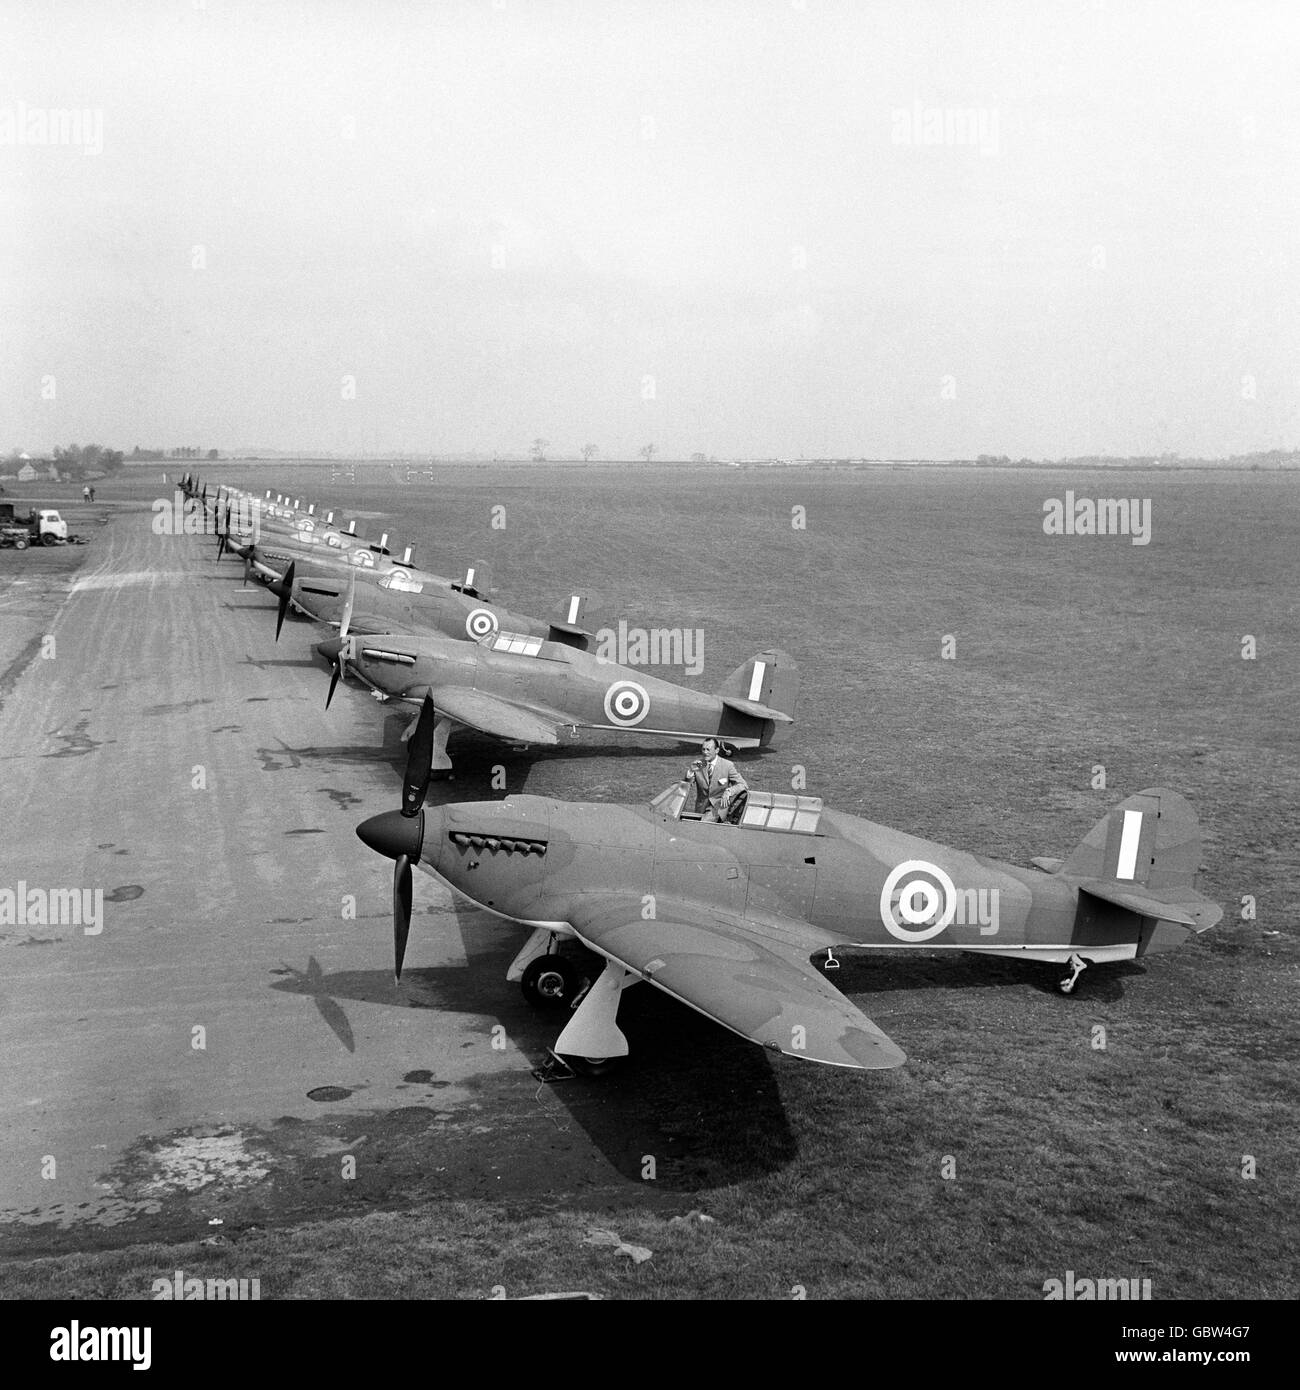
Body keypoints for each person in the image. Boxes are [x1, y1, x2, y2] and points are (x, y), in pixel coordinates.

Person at [684, 737, 747, 822]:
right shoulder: (698, 764)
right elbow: (686, 784)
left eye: (708, 750)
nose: (705, 752)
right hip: (701, 808)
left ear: (717, 750)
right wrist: (690, 773)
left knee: (703, 824)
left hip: (719, 807)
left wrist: (729, 791)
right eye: (703, 749)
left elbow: (743, 785)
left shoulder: (727, 766)